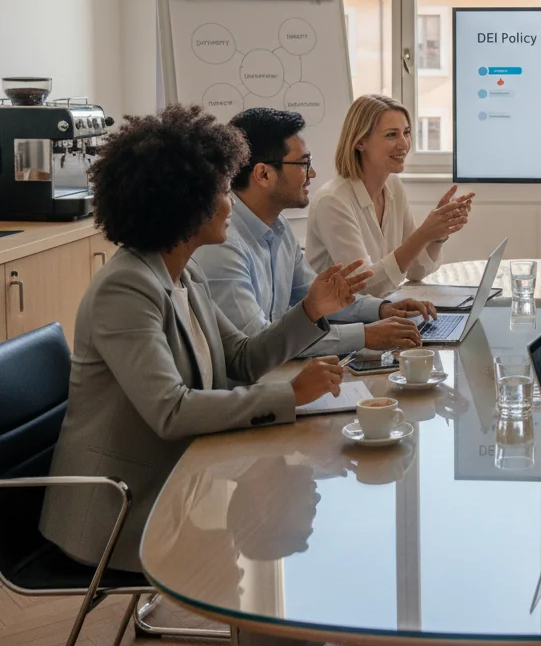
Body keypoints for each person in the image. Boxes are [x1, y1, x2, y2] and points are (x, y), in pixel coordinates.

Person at [38, 105, 364, 574]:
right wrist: (290, 394)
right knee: (281, 520)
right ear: (184, 202)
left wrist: (311, 309)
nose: (231, 200)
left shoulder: (183, 273)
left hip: (178, 482)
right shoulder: (126, 288)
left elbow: (242, 357)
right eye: (220, 189)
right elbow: (171, 411)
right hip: (123, 511)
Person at [194, 108, 434, 355]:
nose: (312, 174)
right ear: (264, 174)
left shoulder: (278, 228)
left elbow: (319, 297)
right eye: (303, 163)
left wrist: (382, 309)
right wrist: (364, 335)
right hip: (248, 386)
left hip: (274, 372)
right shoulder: (223, 244)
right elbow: (258, 342)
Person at [306, 94, 475, 297]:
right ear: (360, 142)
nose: (404, 144)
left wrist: (437, 235)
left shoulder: (393, 186)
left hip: (381, 312)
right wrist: (423, 233)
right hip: (343, 322)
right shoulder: (332, 201)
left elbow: (416, 270)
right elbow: (365, 287)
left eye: (406, 132)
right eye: (391, 135)